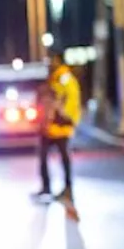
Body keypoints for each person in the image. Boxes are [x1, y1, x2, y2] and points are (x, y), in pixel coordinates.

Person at [35, 54, 81, 202]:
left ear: (59, 61)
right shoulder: (54, 78)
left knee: (64, 159)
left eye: (52, 60)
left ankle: (67, 189)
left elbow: (72, 97)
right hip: (50, 126)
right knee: (44, 157)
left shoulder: (64, 77)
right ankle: (47, 187)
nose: (49, 63)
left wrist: (65, 116)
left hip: (61, 125)